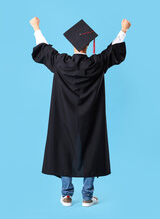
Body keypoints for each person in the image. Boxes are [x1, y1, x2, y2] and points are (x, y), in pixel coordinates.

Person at [30, 17, 131, 207]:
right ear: (88, 45)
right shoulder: (96, 64)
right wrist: (123, 30)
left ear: (72, 44)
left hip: (65, 119)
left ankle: (66, 195)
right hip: (91, 120)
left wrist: (36, 27)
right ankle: (87, 196)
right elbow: (113, 51)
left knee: (64, 146)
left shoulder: (60, 63)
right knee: (91, 147)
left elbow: (43, 48)